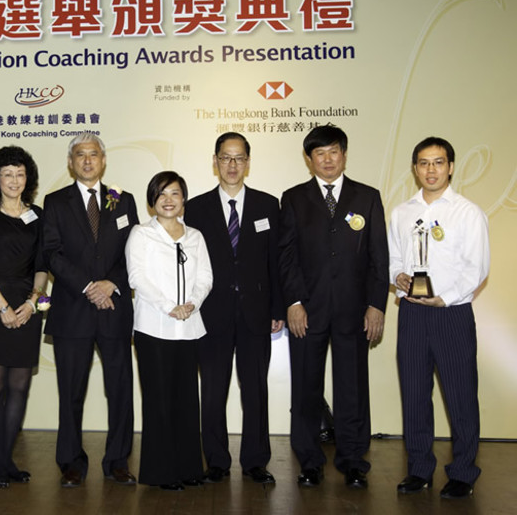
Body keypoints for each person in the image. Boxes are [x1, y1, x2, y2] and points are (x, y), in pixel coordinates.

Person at [278, 124, 388, 489]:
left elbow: (378, 258)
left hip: (354, 312)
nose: (327, 159)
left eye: (334, 151)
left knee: (352, 388)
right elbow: (287, 257)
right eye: (319, 153)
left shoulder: (367, 197)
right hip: (306, 312)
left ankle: (353, 460)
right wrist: (293, 302)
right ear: (309, 159)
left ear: (344, 154)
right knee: (306, 389)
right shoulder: (293, 198)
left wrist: (376, 305)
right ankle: (309, 460)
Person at [388, 137, 489, 499]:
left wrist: (444, 299)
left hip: (452, 315)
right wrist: (398, 279)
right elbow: (394, 260)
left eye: (438, 162)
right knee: (414, 394)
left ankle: (463, 472)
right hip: (412, 315)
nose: (431, 170)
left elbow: (476, 269)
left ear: (450, 167)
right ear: (414, 168)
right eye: (424, 163)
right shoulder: (401, 213)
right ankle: (419, 470)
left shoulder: (468, 213)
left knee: (460, 396)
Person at [184, 133, 284, 484]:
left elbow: (277, 262)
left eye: (239, 158)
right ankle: (216, 460)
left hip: (257, 313)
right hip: (211, 314)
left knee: (255, 388)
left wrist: (278, 308)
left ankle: (256, 460)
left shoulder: (268, 205)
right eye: (225, 158)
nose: (232, 165)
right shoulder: (195, 208)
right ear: (215, 161)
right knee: (212, 389)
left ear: (248, 162)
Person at [42, 133, 139, 488]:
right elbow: (52, 253)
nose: (87, 160)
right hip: (73, 308)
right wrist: (88, 287)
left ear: (103, 159)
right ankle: (70, 461)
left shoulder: (123, 200)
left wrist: (109, 284)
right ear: (71, 162)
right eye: (80, 155)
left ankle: (117, 460)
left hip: (113, 307)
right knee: (71, 391)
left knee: (120, 389)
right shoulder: (55, 202)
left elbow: (134, 252)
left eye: (93, 154)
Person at [126, 171, 212, 490]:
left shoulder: (195, 237)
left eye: (174, 193)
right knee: (158, 402)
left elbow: (205, 277)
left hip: (188, 328)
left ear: (183, 200)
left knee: (187, 400)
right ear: (152, 201)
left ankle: (190, 468)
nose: (168, 200)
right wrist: (168, 306)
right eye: (161, 194)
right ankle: (160, 473)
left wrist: (192, 303)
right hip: (153, 328)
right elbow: (137, 277)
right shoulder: (140, 234)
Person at [0, 146, 48, 488]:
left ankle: (7, 461)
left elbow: (43, 268)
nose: (14, 181)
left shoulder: (39, 216)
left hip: (27, 308)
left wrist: (32, 303)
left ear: (27, 178)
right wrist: (3, 306)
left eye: (19, 174)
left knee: (19, 388)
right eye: (7, 174)